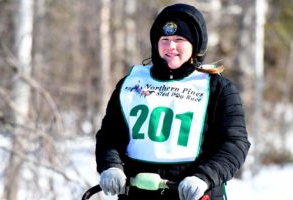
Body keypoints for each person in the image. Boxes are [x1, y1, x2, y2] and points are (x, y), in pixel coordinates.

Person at [95, 3, 250, 200]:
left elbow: (235, 143)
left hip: (194, 193)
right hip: (137, 193)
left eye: (179, 39)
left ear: (196, 46)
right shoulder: (131, 83)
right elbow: (110, 135)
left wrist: (203, 178)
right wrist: (111, 166)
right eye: (165, 39)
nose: (171, 46)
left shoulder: (218, 88)